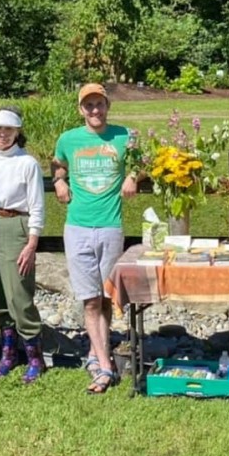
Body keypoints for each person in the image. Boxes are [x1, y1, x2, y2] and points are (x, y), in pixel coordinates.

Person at [53, 83, 137, 394]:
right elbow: (57, 163)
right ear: (81, 110)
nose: (94, 110)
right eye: (88, 106)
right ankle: (105, 366)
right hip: (77, 227)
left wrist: (132, 176)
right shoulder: (69, 139)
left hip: (111, 226)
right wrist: (60, 181)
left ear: (107, 106)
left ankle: (94, 352)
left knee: (104, 297)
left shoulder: (123, 136)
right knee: (89, 299)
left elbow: (145, 161)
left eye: (99, 104)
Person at [0, 106, 46, 383]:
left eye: (8, 129)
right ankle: (8, 352)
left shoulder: (28, 163)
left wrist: (32, 242)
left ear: (17, 133)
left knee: (19, 294)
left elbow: (37, 206)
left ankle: (34, 356)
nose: (2, 134)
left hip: (17, 226)